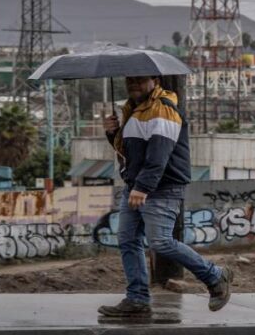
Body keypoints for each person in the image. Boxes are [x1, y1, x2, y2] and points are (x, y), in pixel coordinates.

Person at [97, 75, 232, 317]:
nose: (133, 84)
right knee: (128, 240)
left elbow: (158, 155)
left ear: (155, 81)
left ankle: (215, 276)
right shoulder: (136, 110)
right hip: (137, 185)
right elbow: (132, 153)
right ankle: (137, 298)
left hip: (161, 187)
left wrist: (142, 188)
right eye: (130, 81)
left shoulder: (163, 109)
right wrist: (113, 133)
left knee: (160, 241)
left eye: (139, 80)